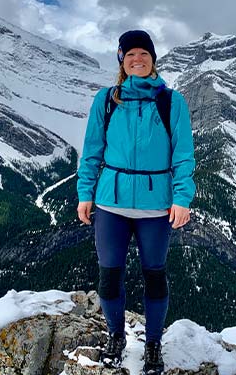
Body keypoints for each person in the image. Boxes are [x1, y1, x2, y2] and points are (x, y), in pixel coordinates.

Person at [76, 30, 196, 374]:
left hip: (156, 205)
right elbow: (92, 151)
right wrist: (86, 193)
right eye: (130, 55)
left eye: (143, 53)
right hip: (110, 203)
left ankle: (154, 343)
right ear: (121, 61)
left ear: (153, 59)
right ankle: (116, 336)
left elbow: (184, 156)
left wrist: (182, 197)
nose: (137, 59)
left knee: (154, 276)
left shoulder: (172, 102)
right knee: (109, 277)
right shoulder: (107, 99)